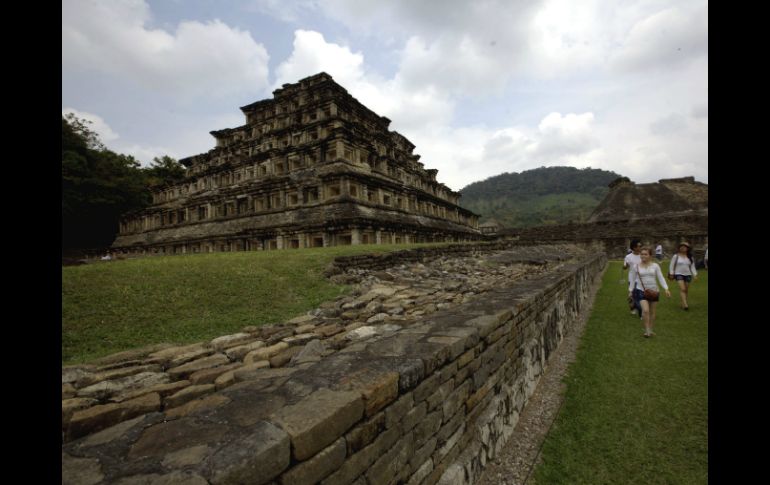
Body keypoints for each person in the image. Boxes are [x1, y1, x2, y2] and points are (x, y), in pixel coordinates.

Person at [629, 246, 671, 337]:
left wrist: (666, 289)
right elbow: (632, 280)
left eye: (645, 254)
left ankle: (650, 330)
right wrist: (630, 291)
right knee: (646, 310)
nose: (643, 256)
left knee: (652, 312)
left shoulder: (655, 266)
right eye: (642, 254)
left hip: (654, 291)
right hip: (641, 291)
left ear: (650, 255)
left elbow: (660, 277)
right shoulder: (636, 267)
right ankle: (647, 330)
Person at [669, 241, 698, 310]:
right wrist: (671, 273)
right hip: (678, 274)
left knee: (686, 290)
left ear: (688, 248)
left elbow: (692, 267)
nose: (683, 248)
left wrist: (695, 274)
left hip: (688, 274)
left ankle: (683, 302)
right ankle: (685, 305)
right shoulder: (676, 256)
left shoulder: (690, 257)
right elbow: (671, 265)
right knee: (682, 289)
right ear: (679, 248)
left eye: (685, 247)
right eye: (681, 246)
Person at [623, 239, 643, 318]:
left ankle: (635, 307)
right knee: (634, 295)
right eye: (639, 246)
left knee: (640, 295)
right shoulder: (628, 257)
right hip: (632, 279)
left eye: (641, 246)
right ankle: (638, 309)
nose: (640, 247)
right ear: (634, 247)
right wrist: (624, 266)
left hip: (642, 278)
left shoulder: (642, 255)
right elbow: (625, 267)